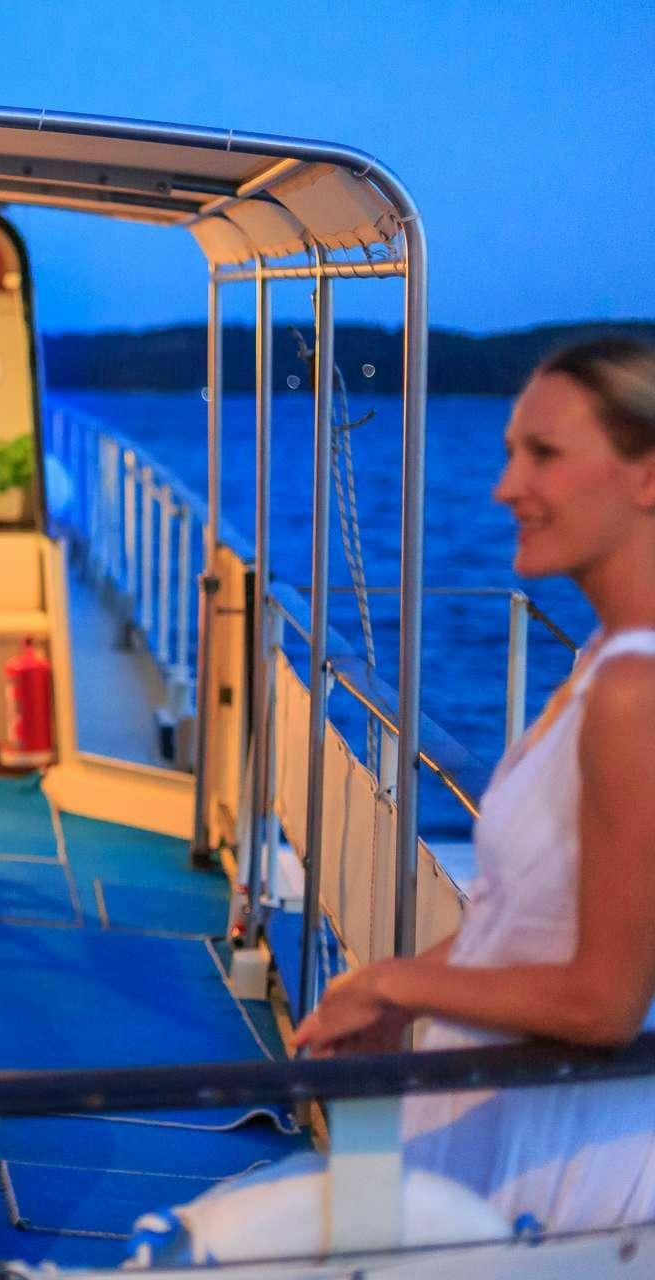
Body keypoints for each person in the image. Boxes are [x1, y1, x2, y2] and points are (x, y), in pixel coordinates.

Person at [294, 338, 655, 1230]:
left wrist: (392, 988)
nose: (504, 488)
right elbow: (515, 924)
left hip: (565, 1158)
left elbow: (605, 1000)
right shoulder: (602, 663)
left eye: (544, 455)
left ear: (647, 477)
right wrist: (393, 980)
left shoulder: (635, 692)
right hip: (497, 1111)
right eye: (506, 454)